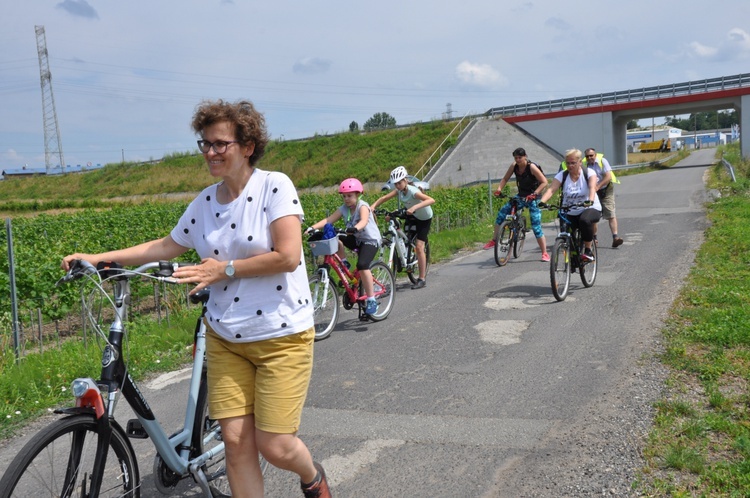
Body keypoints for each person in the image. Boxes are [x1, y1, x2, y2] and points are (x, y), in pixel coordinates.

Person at [61, 99, 331, 498]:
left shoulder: (275, 186)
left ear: (248, 145)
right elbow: (166, 245)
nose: (210, 152)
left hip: (281, 336)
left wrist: (222, 269)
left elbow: (289, 257)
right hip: (225, 338)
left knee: (273, 445)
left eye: (220, 144)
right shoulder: (205, 202)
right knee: (237, 444)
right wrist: (99, 258)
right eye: (204, 144)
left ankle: (312, 477)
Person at [306, 177, 382, 314]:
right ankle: (344, 263)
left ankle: (371, 300)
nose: (346, 199)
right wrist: (312, 227)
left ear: (357, 195)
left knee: (362, 265)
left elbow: (364, 220)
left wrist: (355, 228)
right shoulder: (343, 209)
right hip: (356, 239)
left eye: (350, 196)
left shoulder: (362, 206)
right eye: (344, 196)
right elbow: (328, 220)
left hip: (370, 240)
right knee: (336, 236)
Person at [370, 165, 435, 289]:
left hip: (424, 218)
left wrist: (414, 207)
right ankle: (405, 254)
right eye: (395, 184)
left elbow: (431, 200)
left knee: (420, 247)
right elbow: (384, 198)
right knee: (396, 224)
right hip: (412, 214)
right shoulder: (399, 190)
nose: (397, 186)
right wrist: (372, 207)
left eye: (399, 183)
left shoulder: (413, 191)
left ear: (405, 180)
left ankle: (422, 279)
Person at [483, 147, 550, 262]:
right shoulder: (514, 166)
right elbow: (505, 178)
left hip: (534, 197)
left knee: (536, 226)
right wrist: (499, 189)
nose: (518, 160)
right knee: (502, 214)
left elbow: (544, 182)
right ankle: (494, 240)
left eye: (520, 157)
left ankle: (544, 253)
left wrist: (534, 194)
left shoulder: (531, 167)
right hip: (521, 195)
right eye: (516, 158)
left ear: (525, 156)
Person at [539, 148, 602, 262]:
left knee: (584, 220)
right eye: (568, 163)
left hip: (589, 207)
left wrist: (590, 201)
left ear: (580, 162)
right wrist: (542, 202)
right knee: (566, 233)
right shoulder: (562, 175)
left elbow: (592, 188)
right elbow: (551, 190)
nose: (570, 165)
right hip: (569, 210)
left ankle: (588, 250)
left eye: (573, 163)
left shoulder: (588, 173)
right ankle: (572, 259)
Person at [583, 148, 623, 248]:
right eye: (587, 156)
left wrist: (598, 186)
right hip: (593, 191)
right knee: (593, 213)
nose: (589, 158)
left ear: (595, 155)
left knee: (610, 213)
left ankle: (615, 238)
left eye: (591, 155)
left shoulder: (602, 161)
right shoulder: (585, 164)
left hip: (605, 189)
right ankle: (594, 238)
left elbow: (608, 176)